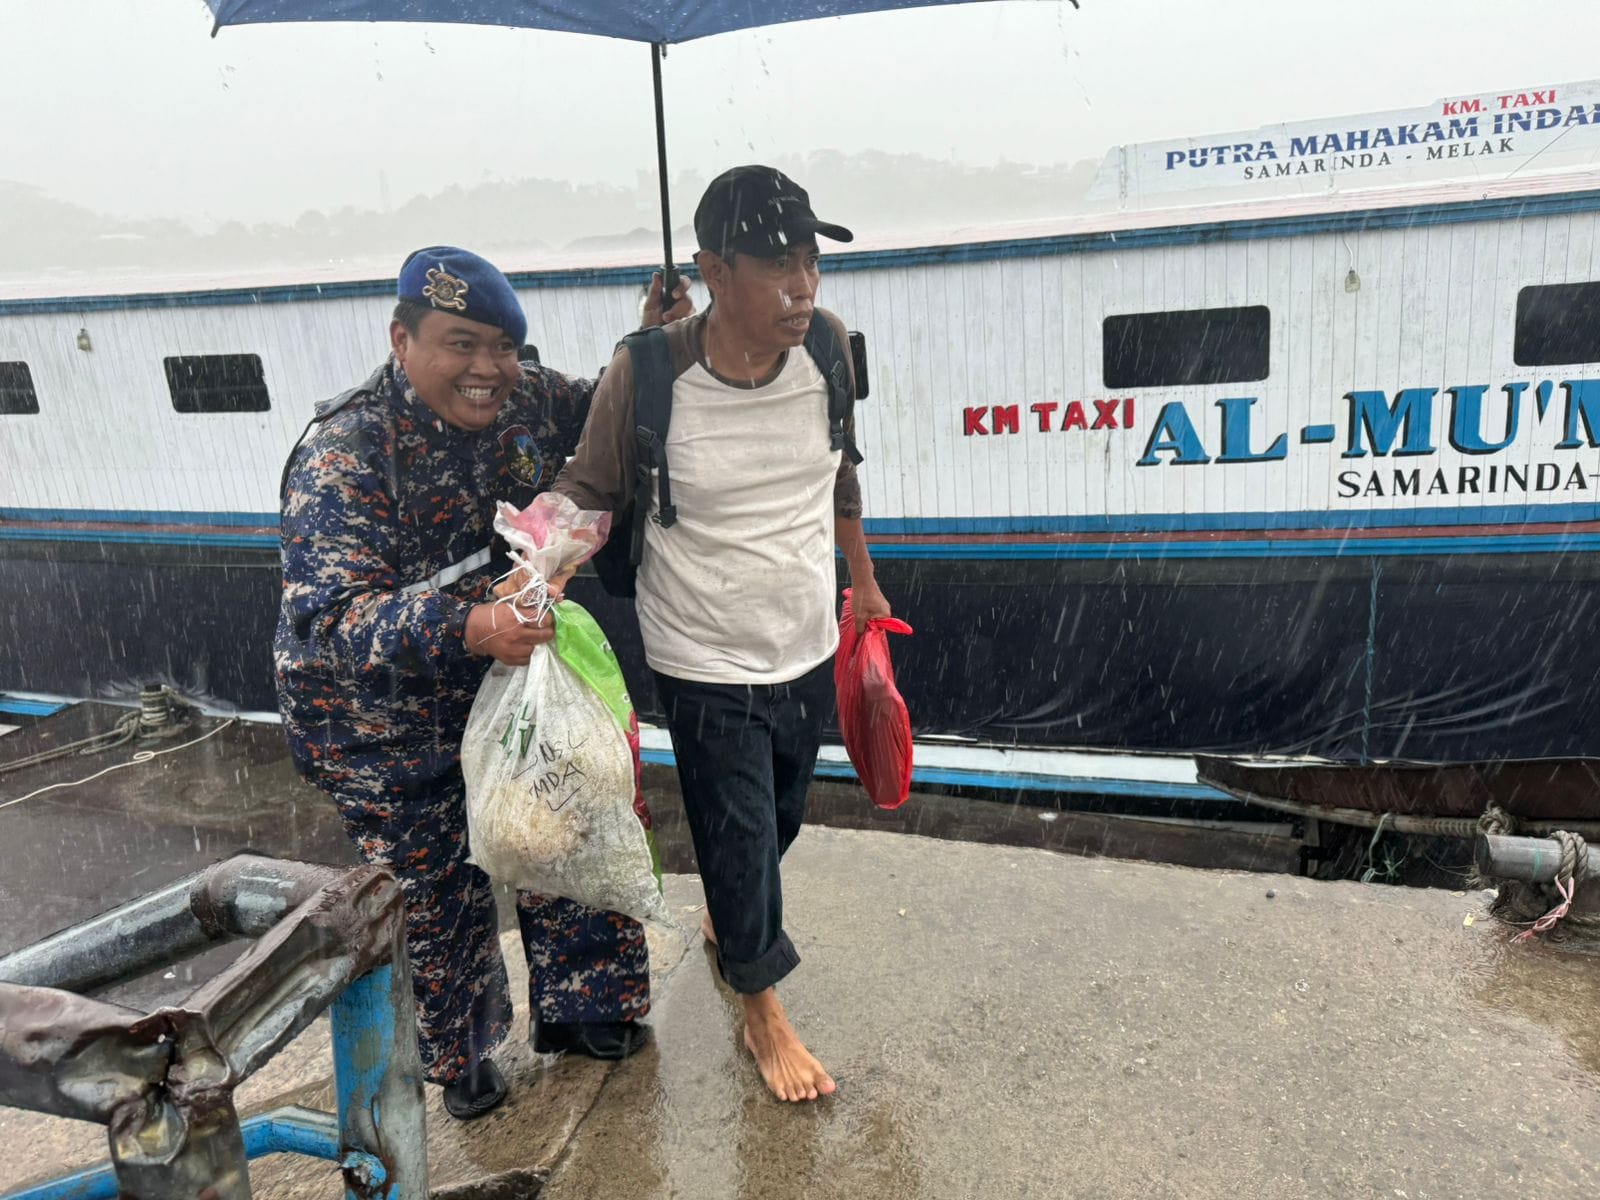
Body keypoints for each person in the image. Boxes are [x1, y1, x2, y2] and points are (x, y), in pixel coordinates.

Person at [273, 246, 689, 1120]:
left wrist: (652, 343)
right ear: (402, 340)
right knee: (434, 891)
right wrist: (469, 626)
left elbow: (612, 405)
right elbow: (333, 622)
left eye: (502, 346)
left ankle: (585, 1006)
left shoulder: (527, 398)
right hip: (378, 719)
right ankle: (461, 1051)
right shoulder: (344, 454)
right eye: (461, 344)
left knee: (563, 814)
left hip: (507, 682)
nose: (487, 369)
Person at [553, 167, 892, 1102]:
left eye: (811, 260)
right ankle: (761, 1010)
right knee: (738, 829)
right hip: (700, 651)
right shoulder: (647, 373)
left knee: (778, 817)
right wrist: (541, 567)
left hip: (804, 635)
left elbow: (839, 473)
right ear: (712, 270)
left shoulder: (827, 347)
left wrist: (862, 583)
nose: (802, 286)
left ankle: (731, 916)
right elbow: (588, 487)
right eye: (777, 264)